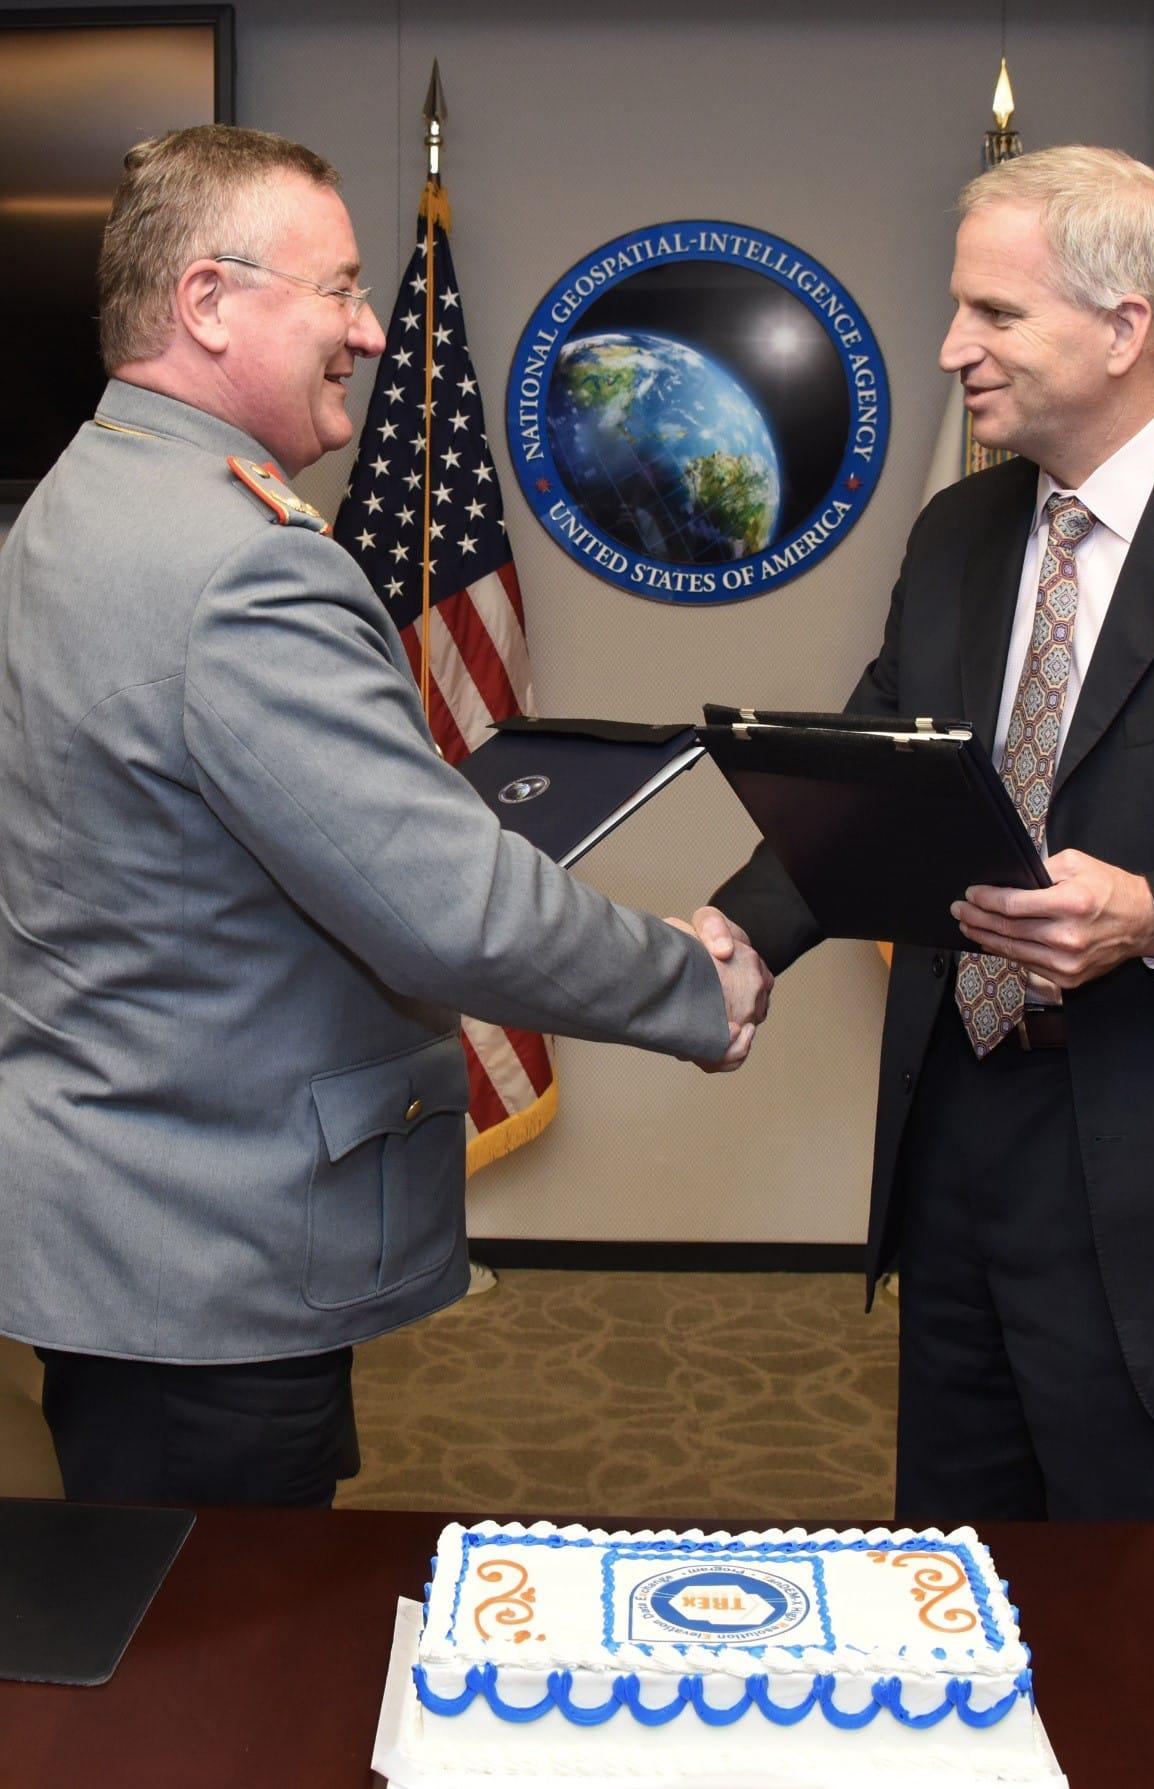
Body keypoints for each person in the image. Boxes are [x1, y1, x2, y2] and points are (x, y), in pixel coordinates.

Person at [0, 126, 771, 1508]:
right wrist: (690, 986)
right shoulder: (241, 567)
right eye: (339, 287)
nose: (365, 326)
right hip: (210, 1260)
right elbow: (448, 910)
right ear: (209, 302)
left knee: (156, 1647)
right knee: (224, 1674)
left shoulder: (79, 500)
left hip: (113, 1221)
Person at [698, 145, 1154, 1521]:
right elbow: (867, 778)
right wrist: (736, 935)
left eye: (993, 313)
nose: (949, 348)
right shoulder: (963, 531)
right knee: (959, 1579)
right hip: (963, 1133)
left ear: (1124, 326)